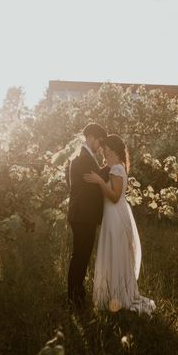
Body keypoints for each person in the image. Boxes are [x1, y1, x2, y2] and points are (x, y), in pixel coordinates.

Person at [84, 134, 156, 315]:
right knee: (115, 252)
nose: (104, 154)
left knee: (115, 252)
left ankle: (117, 296)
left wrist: (100, 181)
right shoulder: (116, 167)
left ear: (114, 151)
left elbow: (115, 197)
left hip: (115, 215)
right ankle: (112, 294)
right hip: (114, 214)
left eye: (106, 151)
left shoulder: (116, 169)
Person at [67, 123, 109, 307]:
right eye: (100, 141)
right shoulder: (84, 158)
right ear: (91, 137)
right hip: (83, 216)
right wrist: (114, 165)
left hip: (83, 215)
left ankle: (76, 292)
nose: (100, 146)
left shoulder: (83, 156)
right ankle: (74, 295)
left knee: (82, 255)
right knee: (81, 255)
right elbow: (96, 181)